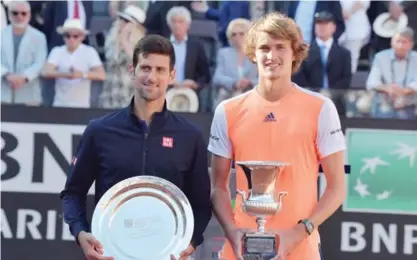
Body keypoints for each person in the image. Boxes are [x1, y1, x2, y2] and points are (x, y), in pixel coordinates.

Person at [208, 12, 347, 260]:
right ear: (253, 54)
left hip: (300, 249)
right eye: (264, 48)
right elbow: (218, 187)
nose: (272, 56)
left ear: (295, 52)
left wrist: (298, 232)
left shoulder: (321, 108)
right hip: (239, 250)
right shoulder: (227, 111)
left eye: (280, 47)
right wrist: (233, 232)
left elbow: (337, 188)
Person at [60, 34, 212, 260]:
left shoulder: (190, 137)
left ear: (172, 75)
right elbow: (72, 194)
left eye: (160, 70)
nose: (151, 77)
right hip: (111, 254)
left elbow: (200, 205)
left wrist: (189, 244)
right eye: (145, 68)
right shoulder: (100, 131)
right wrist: (81, 232)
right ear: (132, 71)